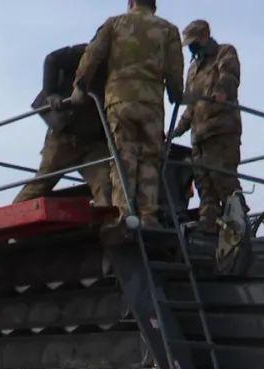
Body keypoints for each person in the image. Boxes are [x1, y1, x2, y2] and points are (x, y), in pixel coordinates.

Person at [69, 0, 184, 227]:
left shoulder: (114, 24)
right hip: (151, 104)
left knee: (124, 157)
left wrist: (80, 87)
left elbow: (92, 55)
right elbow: (174, 70)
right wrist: (175, 93)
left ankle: (125, 214)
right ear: (154, 5)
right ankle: (149, 216)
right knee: (150, 158)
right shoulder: (168, 30)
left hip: (120, 101)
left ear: (130, 2)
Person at [13, 44, 112, 209]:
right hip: (65, 135)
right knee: (40, 185)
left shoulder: (125, 67)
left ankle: (111, 231)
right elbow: (52, 59)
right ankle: (9, 225)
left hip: (93, 141)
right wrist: (51, 93)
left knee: (106, 185)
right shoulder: (88, 51)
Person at [172, 19, 243, 233]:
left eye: (194, 42)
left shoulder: (224, 52)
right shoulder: (193, 69)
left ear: (204, 37)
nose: (191, 47)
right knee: (204, 185)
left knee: (223, 178)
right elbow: (192, 104)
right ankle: (208, 228)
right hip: (199, 136)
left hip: (222, 130)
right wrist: (178, 130)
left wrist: (221, 91)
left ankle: (239, 226)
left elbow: (229, 76)